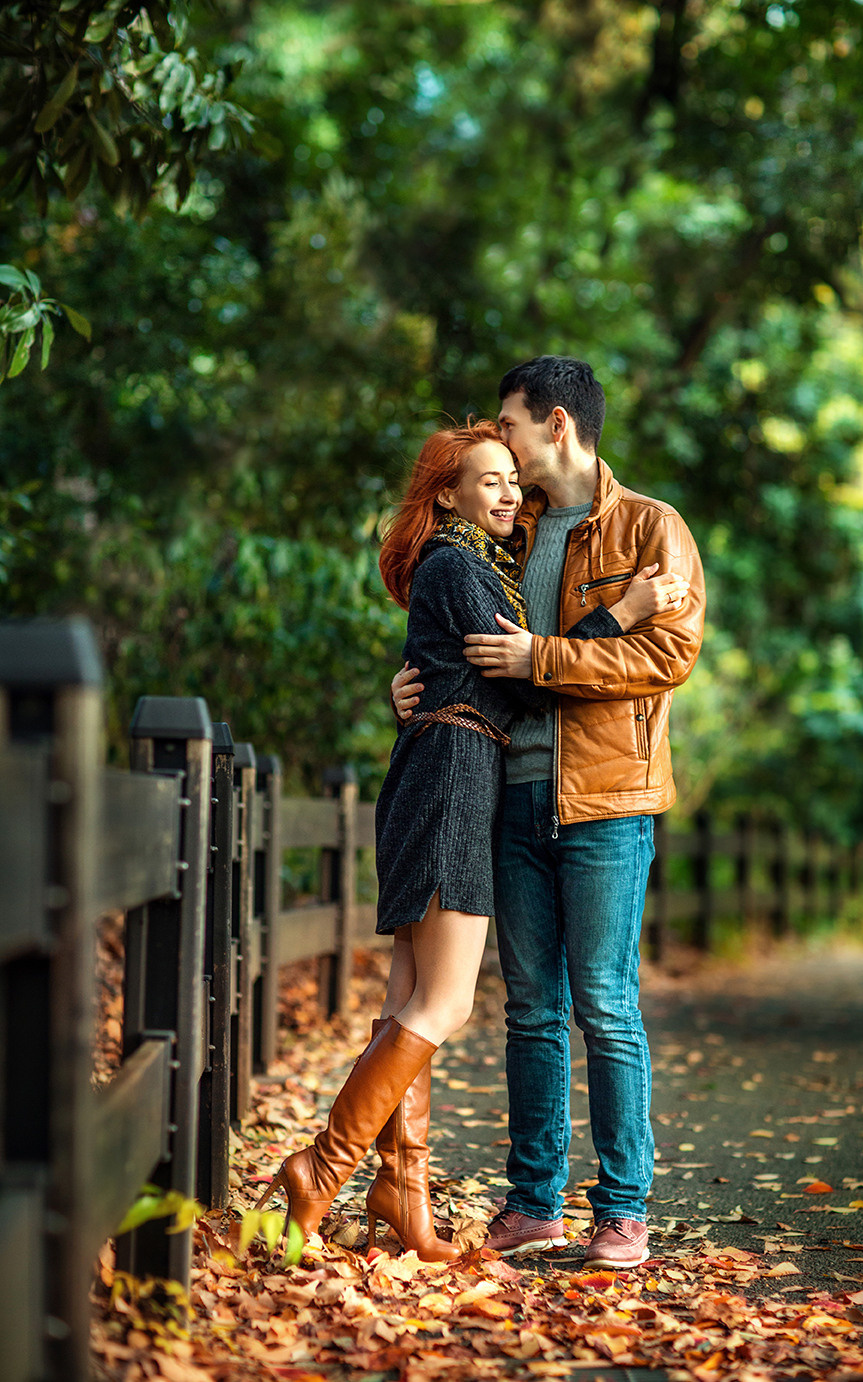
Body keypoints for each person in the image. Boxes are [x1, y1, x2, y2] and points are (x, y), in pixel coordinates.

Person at [256, 416, 682, 1264]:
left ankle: (402, 1193)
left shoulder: (475, 559)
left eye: (509, 478)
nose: (509, 491)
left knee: (409, 993)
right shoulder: (459, 563)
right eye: (488, 479)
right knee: (445, 1004)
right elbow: (523, 685)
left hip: (439, 774)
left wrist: (430, 681)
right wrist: (621, 611)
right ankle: (318, 1172)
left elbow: (482, 664)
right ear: (446, 494)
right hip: (456, 786)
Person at [391, 356, 705, 1270]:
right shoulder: (507, 530)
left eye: (512, 423)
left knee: (605, 1005)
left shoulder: (651, 529)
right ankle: (532, 1204)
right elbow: (455, 636)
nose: (503, 440)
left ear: (556, 424)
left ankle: (623, 1208)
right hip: (508, 793)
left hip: (608, 799)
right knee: (530, 1007)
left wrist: (542, 660)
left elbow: (668, 654)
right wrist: (410, 687)